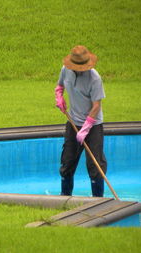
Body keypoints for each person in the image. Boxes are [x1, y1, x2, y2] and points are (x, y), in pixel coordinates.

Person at [54, 45, 107, 197]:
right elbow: (59, 86)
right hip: (73, 123)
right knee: (67, 161)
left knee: (95, 165)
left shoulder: (94, 78)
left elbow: (96, 106)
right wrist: (59, 96)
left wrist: (86, 128)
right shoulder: (65, 69)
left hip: (93, 126)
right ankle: (64, 197)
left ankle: (98, 200)